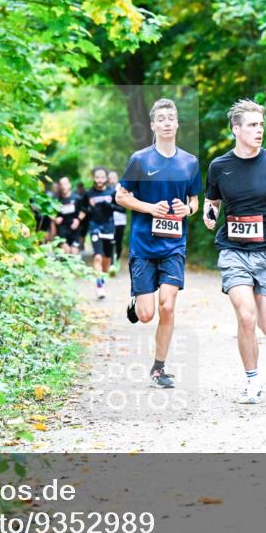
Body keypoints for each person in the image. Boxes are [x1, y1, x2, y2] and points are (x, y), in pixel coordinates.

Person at [203, 99, 266, 405]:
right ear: (236, 130)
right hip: (233, 250)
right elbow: (213, 203)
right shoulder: (219, 166)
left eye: (261, 125)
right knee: (246, 316)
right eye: (252, 125)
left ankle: (254, 329)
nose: (259, 130)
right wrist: (209, 215)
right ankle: (252, 380)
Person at [116, 98, 202, 389]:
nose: (167, 122)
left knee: (167, 307)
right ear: (153, 125)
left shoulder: (190, 162)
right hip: (143, 245)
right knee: (146, 314)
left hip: (174, 245)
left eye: (171, 117)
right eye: (161, 118)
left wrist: (187, 210)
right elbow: (121, 196)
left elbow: (195, 201)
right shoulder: (140, 159)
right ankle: (135, 296)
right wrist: (148, 208)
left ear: (177, 123)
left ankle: (158, 369)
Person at [78, 166, 119, 299]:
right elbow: (83, 209)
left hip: (109, 228)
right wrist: (76, 221)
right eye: (97, 177)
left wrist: (111, 206)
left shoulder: (112, 192)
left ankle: (102, 277)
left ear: (106, 178)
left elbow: (121, 208)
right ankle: (99, 286)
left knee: (106, 260)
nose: (99, 179)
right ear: (93, 178)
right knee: (97, 257)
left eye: (102, 177)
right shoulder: (88, 194)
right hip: (95, 227)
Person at [53, 177, 82, 255]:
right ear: (59, 186)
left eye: (65, 184)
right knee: (65, 251)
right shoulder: (55, 200)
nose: (63, 186)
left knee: (74, 253)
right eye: (61, 184)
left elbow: (83, 211)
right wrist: (55, 218)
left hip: (74, 229)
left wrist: (78, 220)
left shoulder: (77, 198)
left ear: (69, 185)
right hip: (62, 229)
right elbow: (50, 213)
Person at [108, 170, 128, 268]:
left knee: (118, 241)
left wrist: (112, 206)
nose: (112, 180)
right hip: (109, 221)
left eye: (113, 178)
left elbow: (124, 208)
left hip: (120, 220)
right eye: (110, 178)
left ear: (116, 179)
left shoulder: (121, 189)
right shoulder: (106, 190)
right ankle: (111, 262)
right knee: (111, 240)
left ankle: (118, 259)